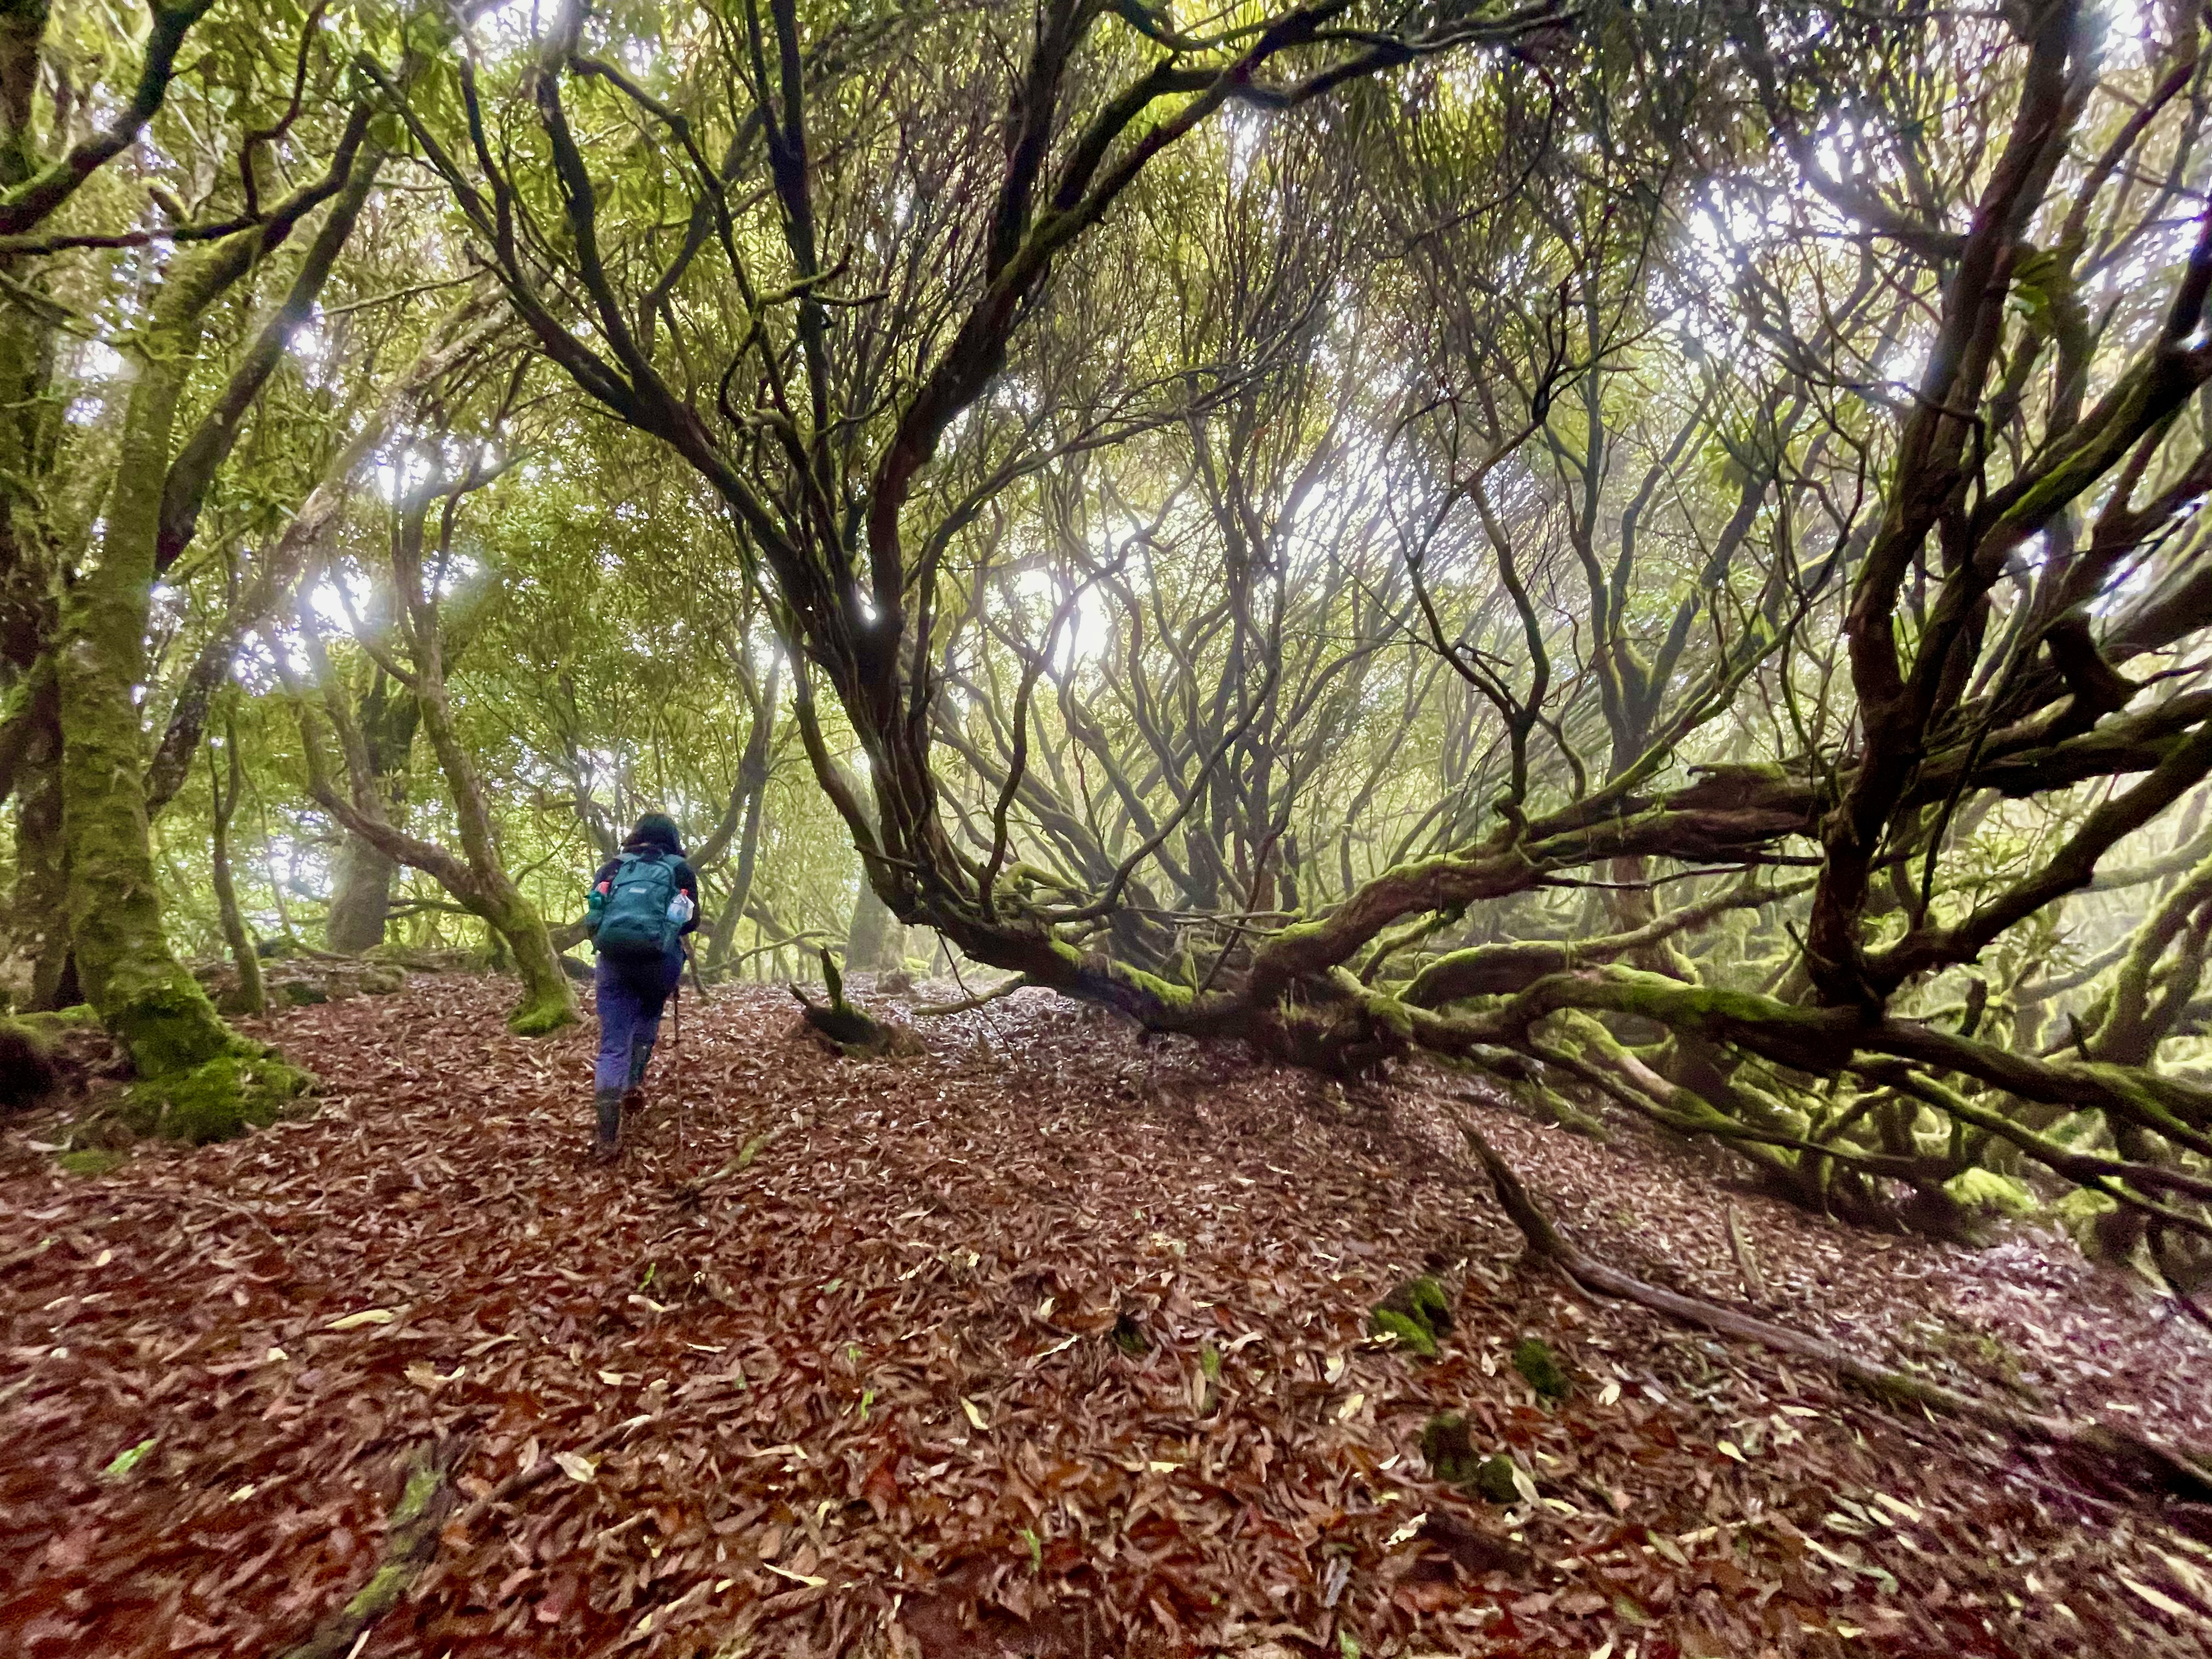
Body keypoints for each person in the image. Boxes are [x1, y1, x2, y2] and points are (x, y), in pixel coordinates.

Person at [584, 811, 700, 1161]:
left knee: (612, 1043)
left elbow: (595, 914)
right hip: (658, 963)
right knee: (649, 1013)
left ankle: (607, 1136)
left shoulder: (613, 868)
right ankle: (634, 1081)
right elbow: (691, 920)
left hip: (614, 961)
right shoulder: (680, 869)